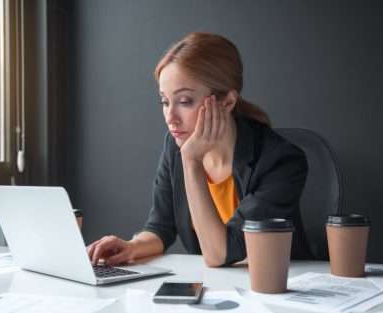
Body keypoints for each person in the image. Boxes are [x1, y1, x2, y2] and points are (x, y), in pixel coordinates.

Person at [87, 32, 313, 267]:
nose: (170, 118)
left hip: (277, 285)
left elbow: (219, 254)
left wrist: (191, 160)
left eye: (184, 101)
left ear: (227, 102)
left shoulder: (282, 161)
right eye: (164, 102)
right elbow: (161, 226)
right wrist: (131, 247)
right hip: (216, 286)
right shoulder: (175, 144)